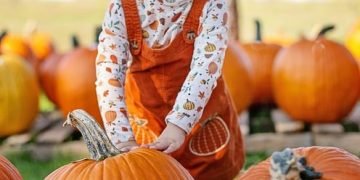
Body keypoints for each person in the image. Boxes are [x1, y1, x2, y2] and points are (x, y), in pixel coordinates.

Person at [95, 0, 244, 179]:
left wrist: (179, 124)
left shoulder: (211, 5)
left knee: (210, 173)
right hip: (147, 122)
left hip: (200, 121)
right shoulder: (122, 8)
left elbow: (205, 68)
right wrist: (122, 138)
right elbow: (109, 72)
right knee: (154, 172)